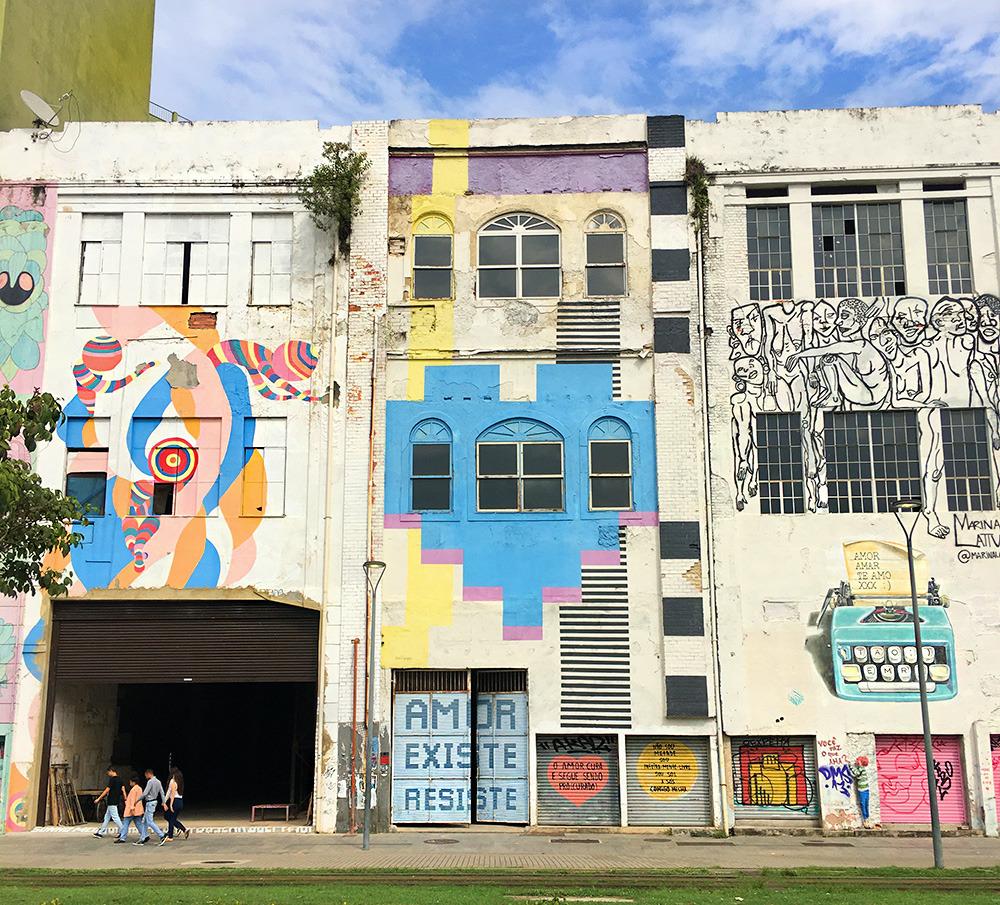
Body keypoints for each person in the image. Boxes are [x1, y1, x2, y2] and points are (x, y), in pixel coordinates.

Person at [136, 767, 168, 846]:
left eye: (146, 775)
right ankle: (143, 838)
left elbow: (145, 793)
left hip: (150, 802)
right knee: (145, 821)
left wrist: (137, 800)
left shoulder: (150, 782)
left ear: (148, 774)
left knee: (149, 821)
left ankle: (162, 835)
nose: (145, 777)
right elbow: (162, 793)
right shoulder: (158, 781)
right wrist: (164, 803)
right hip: (154, 801)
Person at [92, 765, 125, 838]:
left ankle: (123, 831)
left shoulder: (112, 780)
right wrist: (125, 798)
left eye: (108, 772)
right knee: (106, 817)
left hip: (111, 800)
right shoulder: (120, 780)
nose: (108, 774)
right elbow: (123, 789)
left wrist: (99, 798)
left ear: (111, 771)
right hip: (116, 799)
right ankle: (100, 832)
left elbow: (107, 790)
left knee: (115, 817)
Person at [115, 774, 144, 843]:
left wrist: (131, 808)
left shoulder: (133, 790)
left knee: (126, 823)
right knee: (138, 823)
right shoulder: (139, 788)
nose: (130, 783)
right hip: (138, 809)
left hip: (132, 810)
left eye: (130, 782)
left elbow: (132, 800)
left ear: (133, 782)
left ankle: (122, 838)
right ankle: (145, 835)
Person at [164, 767, 189, 841]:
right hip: (180, 801)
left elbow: (171, 793)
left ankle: (170, 836)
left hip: (174, 801)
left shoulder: (173, 782)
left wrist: (168, 803)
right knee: (172, 818)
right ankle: (183, 829)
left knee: (170, 819)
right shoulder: (180, 783)